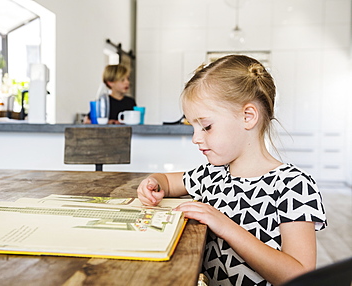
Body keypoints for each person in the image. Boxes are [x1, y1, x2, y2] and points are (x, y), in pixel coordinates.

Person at [137, 55, 327, 286]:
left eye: (206, 126)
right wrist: (152, 183)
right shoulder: (211, 174)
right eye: (193, 127)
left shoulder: (294, 186)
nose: (196, 138)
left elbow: (300, 278)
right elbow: (167, 181)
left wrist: (225, 225)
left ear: (248, 116)